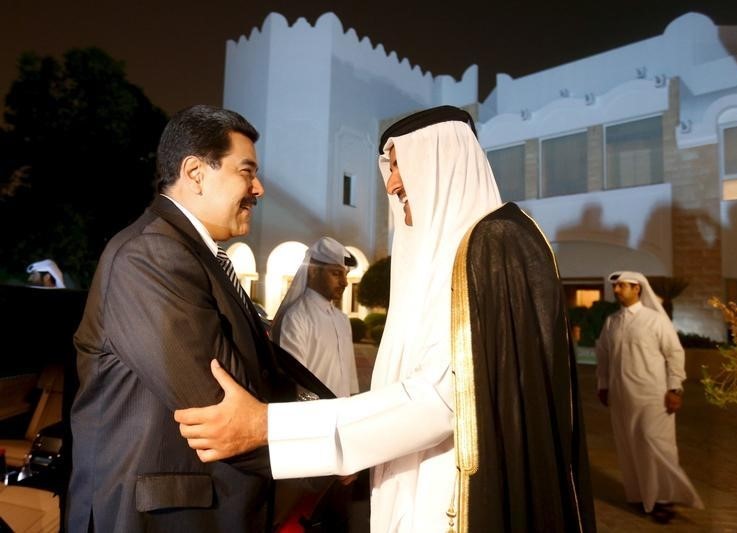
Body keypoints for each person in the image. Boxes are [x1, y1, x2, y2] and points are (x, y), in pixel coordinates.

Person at [175, 105, 596, 532]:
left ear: (441, 163)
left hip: (461, 497)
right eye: (389, 167)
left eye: (400, 165)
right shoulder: (446, 260)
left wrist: (270, 427)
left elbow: (442, 399)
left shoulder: (496, 244)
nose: (392, 183)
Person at [67, 104, 332, 532]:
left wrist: (340, 423)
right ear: (195, 173)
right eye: (246, 171)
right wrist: (330, 453)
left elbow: (268, 368)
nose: (259, 188)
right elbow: (218, 406)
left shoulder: (194, 254)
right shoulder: (150, 253)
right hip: (160, 518)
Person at [595, 270, 703, 523]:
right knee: (629, 445)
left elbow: (674, 353)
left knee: (656, 444)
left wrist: (674, 388)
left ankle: (664, 499)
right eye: (616, 286)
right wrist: (603, 385)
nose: (617, 290)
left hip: (653, 396)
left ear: (637, 289)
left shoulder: (655, 320)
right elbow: (603, 355)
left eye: (623, 286)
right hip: (622, 397)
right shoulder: (612, 322)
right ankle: (642, 496)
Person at [271, 237, 359, 398]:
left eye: (345, 274)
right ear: (313, 271)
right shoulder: (296, 318)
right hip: (314, 416)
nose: (345, 282)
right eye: (336, 273)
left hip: (344, 415)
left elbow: (350, 379)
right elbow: (296, 382)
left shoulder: (342, 319)